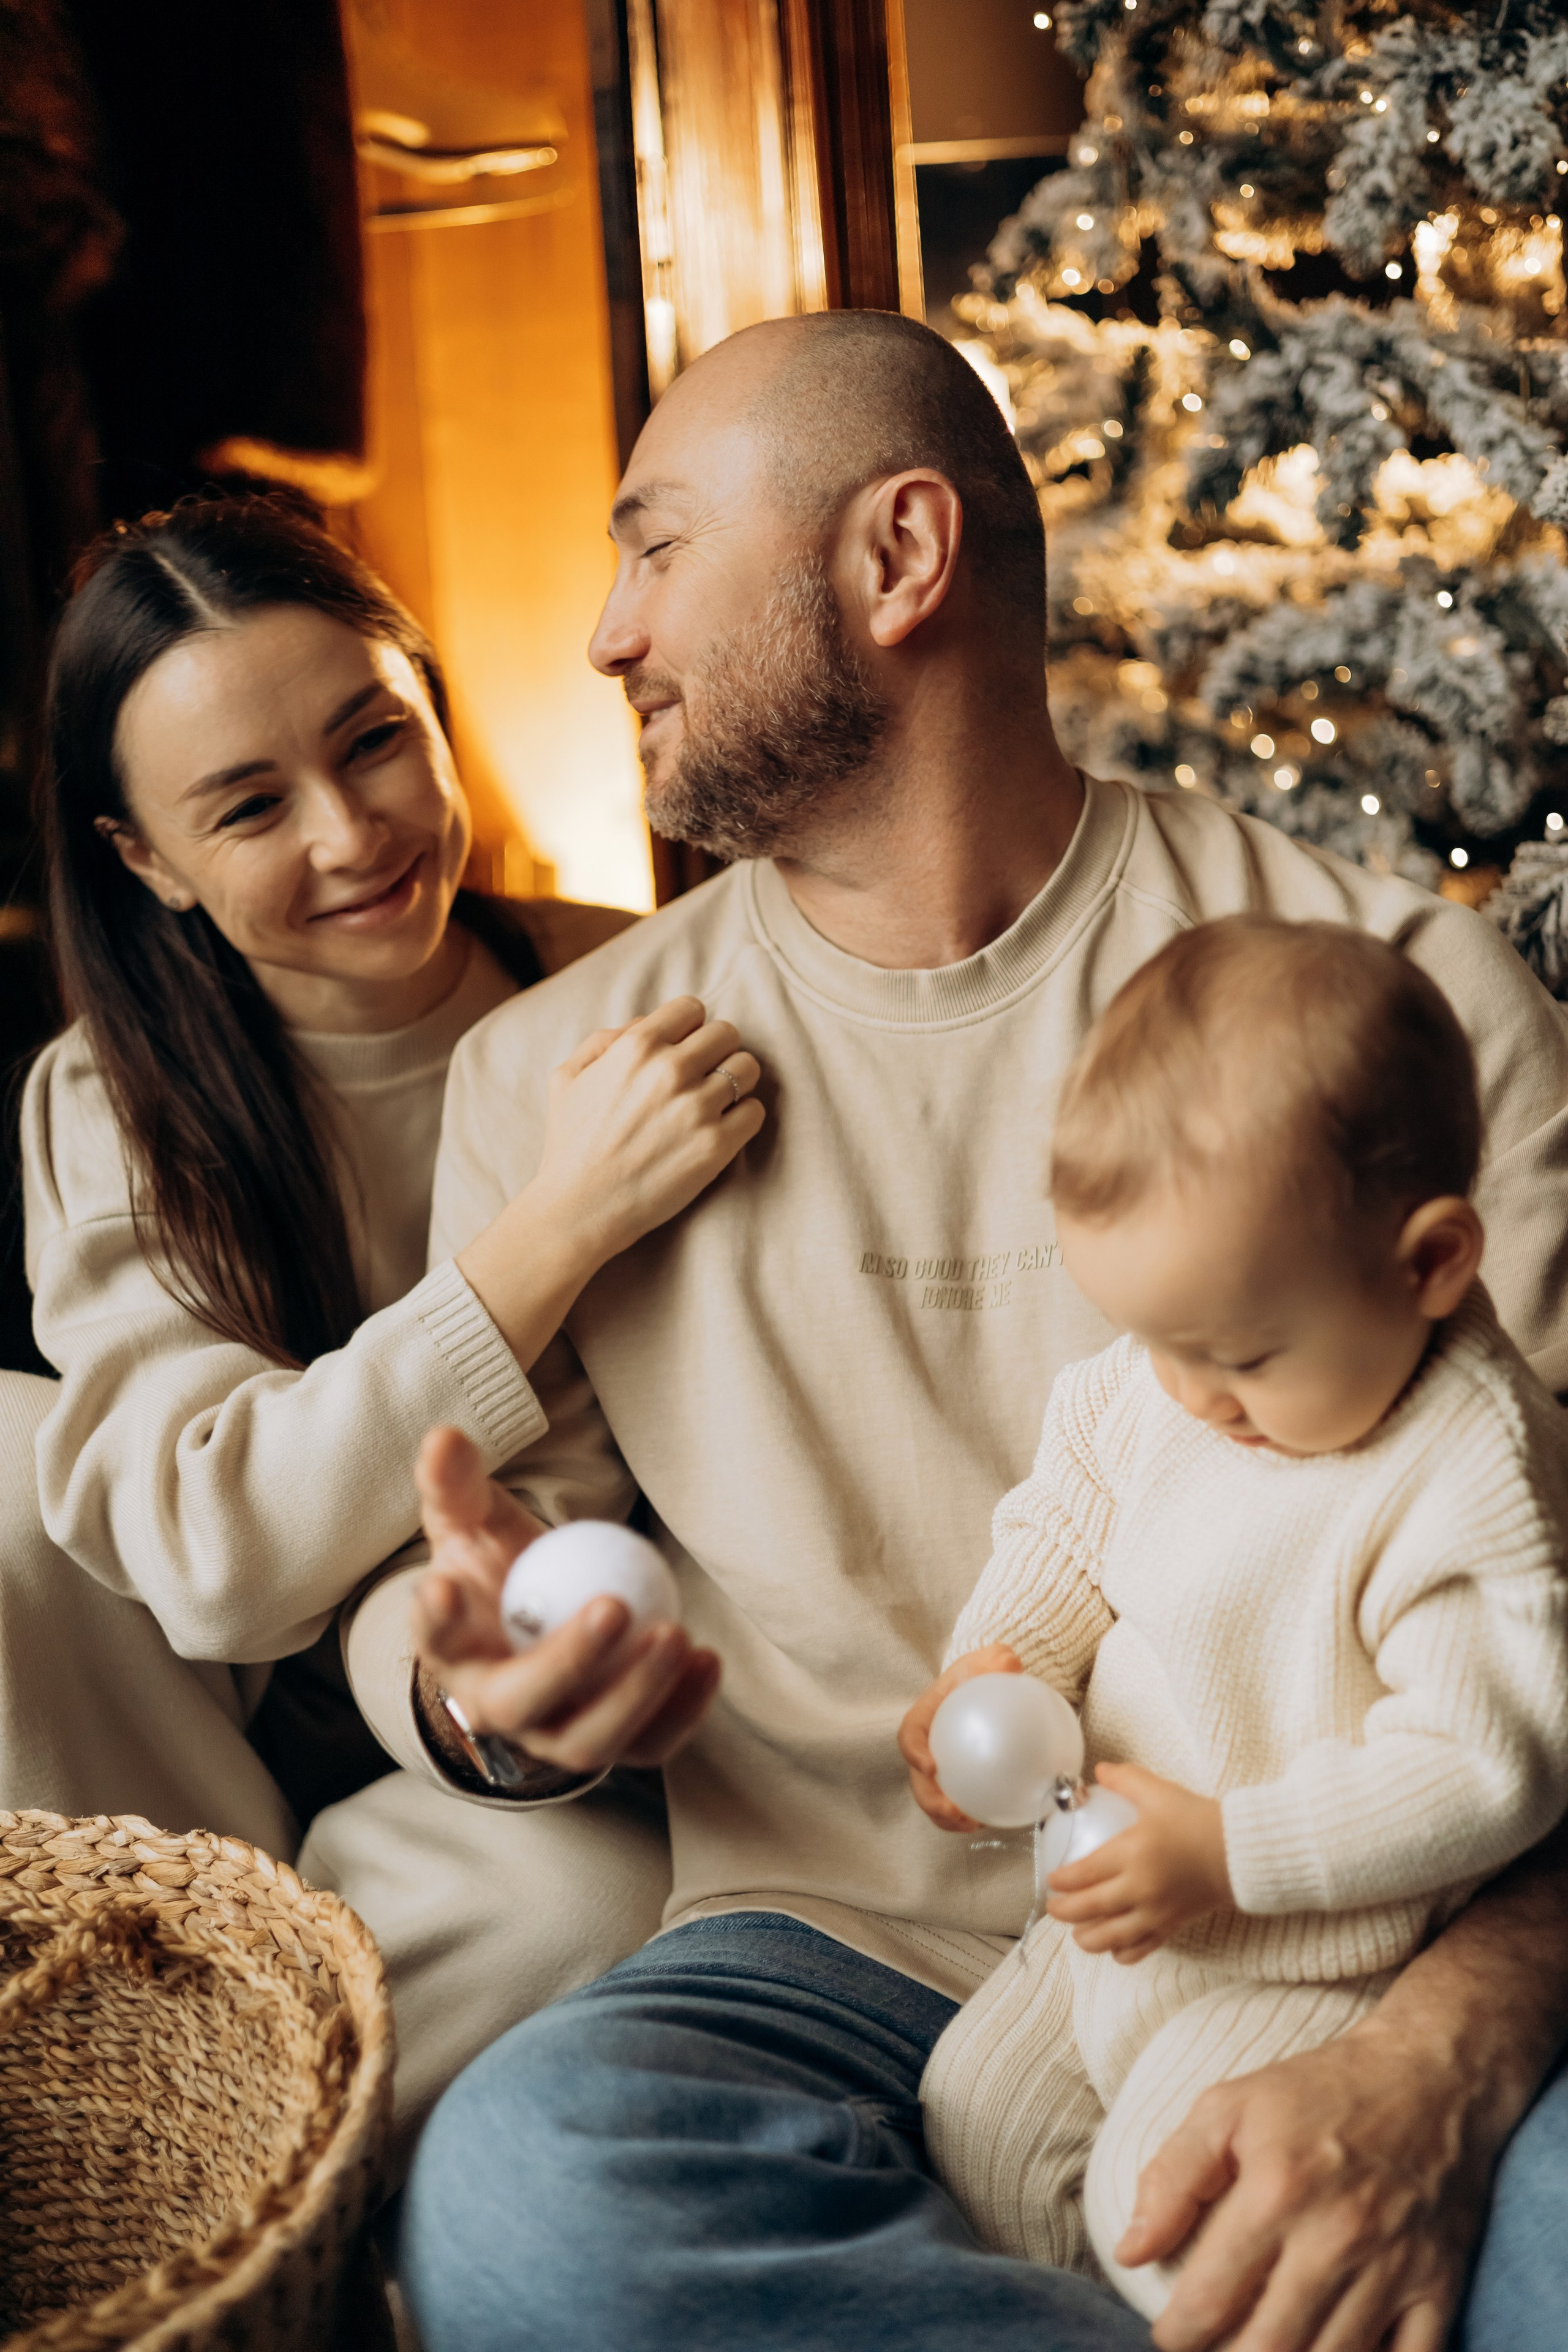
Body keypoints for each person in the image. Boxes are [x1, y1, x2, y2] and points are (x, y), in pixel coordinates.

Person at [328, 308, 1568, 2352]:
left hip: (1348, 1927)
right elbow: (475, 1578)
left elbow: (1546, 1645)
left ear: (897, 562)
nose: (602, 637)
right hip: (830, 1958)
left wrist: (1432, 2054)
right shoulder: (556, 1084)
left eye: (653, 551)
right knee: (535, 2195)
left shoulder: (1402, 1009)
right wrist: (488, 1689)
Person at [6, 493, 761, 2143]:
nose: (351, 835)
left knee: (583, 1908)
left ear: (434, 709)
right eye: (250, 805)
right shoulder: (111, 1100)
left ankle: (236, 2151)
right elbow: (214, 1554)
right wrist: (551, 1229)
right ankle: (144, 2048)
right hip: (193, 1731)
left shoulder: (634, 996)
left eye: (373, 743)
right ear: (148, 863)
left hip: (497, 1720)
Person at [906, 916, 1568, 2320]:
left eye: (1243, 1355)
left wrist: (1232, 1850)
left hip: (1314, 1952)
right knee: (975, 2122)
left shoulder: (1465, 1475)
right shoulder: (1163, 1377)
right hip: (1107, 1924)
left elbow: (1485, 1765)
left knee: (1167, 2216)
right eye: (1153, 1339)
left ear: (1429, 1263)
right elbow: (1065, 1520)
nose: (1188, 1394)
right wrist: (994, 1658)